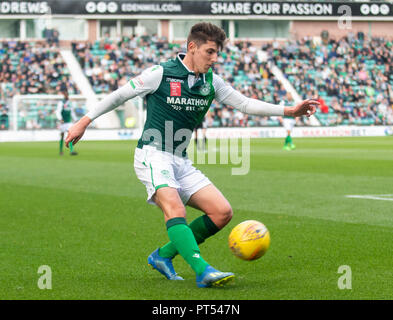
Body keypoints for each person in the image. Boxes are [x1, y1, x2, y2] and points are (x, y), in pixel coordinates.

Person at [65, 23, 318, 288]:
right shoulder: (161, 73)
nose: (214, 59)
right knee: (175, 208)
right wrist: (84, 121)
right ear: (192, 47)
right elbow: (120, 95)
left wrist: (290, 111)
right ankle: (202, 270)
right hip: (152, 155)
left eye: (217, 53)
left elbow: (244, 103)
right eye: (210, 52)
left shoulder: (212, 82)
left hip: (180, 159)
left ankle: (162, 256)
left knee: (221, 212)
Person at [56, 90, 78, 156]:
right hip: (63, 122)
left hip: (68, 122)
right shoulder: (61, 103)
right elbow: (58, 112)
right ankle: (61, 151)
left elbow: (72, 112)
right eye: (66, 95)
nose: (67, 96)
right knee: (62, 136)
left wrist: (75, 119)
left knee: (70, 135)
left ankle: (72, 151)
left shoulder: (69, 103)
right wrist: (60, 119)